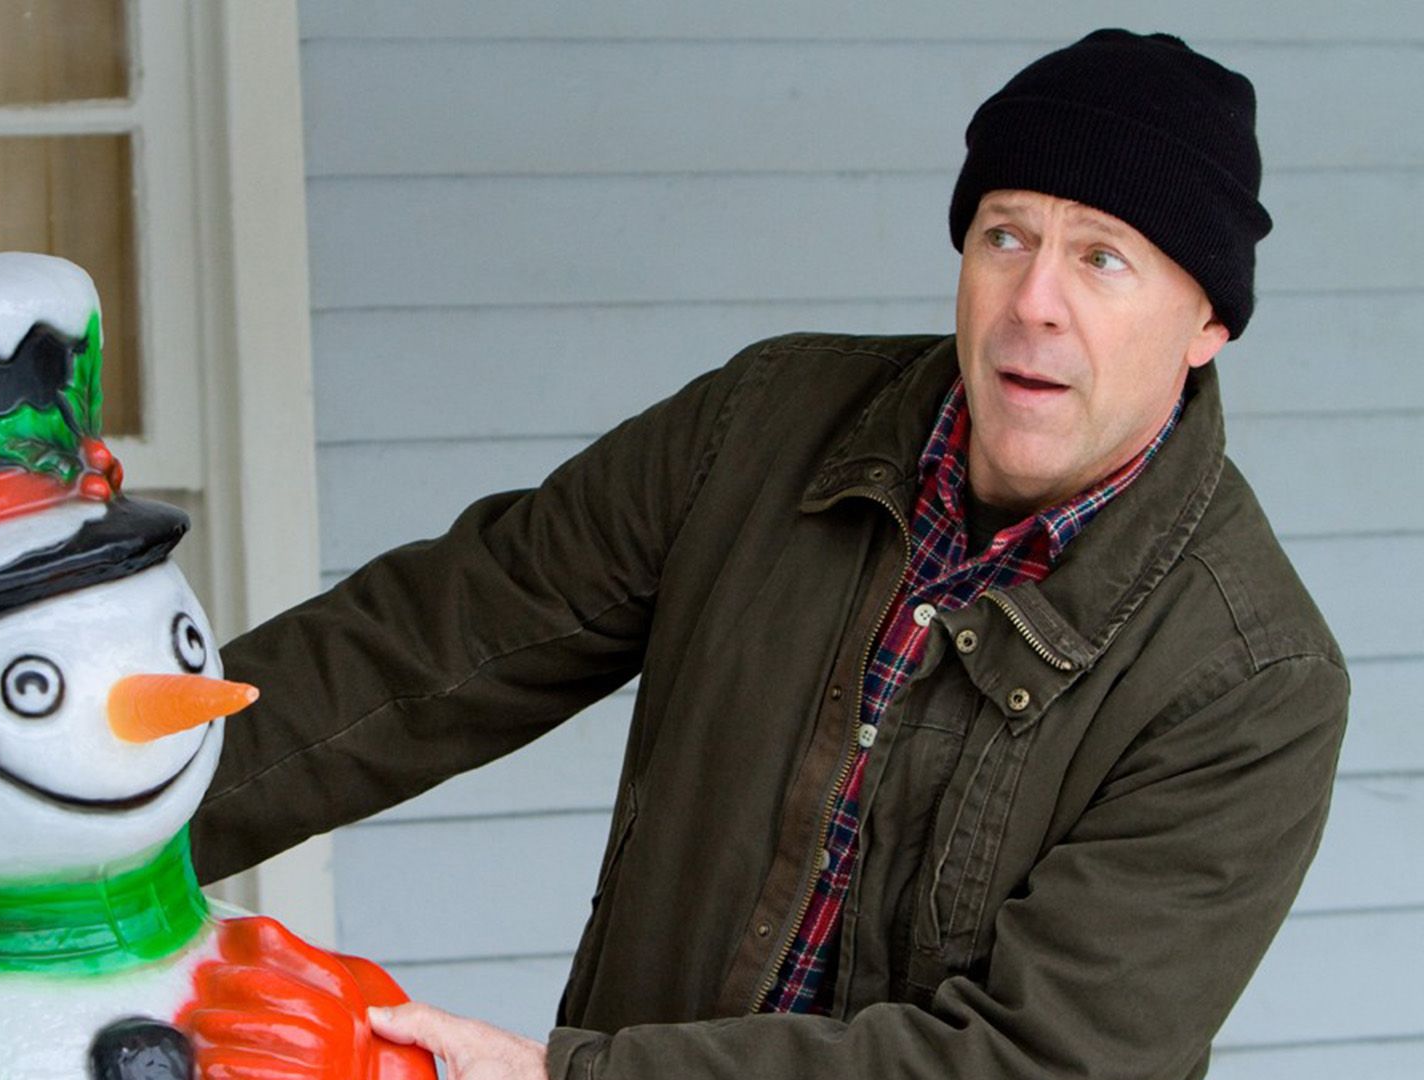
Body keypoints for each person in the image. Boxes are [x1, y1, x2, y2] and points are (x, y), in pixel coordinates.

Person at [189, 29, 1348, 1080]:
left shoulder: (1252, 682)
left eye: (1103, 259)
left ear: (1207, 325)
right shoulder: (763, 426)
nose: (1032, 302)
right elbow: (431, 645)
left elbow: (1041, 1060)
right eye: (1006, 235)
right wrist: (95, 817)